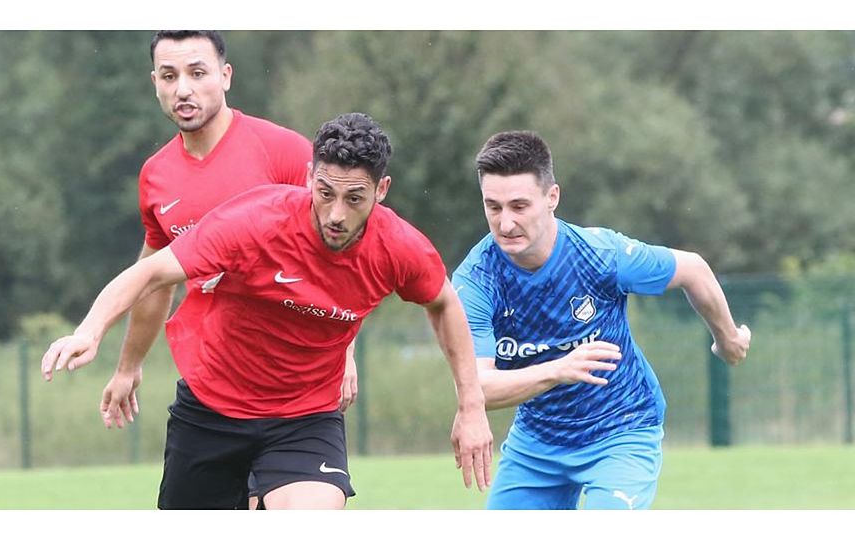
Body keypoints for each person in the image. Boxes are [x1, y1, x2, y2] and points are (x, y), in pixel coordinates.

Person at [41, 112, 494, 510]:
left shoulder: (398, 247)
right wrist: (90, 330)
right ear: (309, 177)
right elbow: (151, 273)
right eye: (325, 193)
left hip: (305, 417)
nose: (336, 214)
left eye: (354, 198)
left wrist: (471, 406)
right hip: (212, 405)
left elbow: (443, 304)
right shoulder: (254, 221)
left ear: (382, 190)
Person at [106, 30, 358, 508]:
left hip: (295, 390)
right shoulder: (156, 176)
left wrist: (344, 351)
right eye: (170, 75)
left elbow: (344, 250)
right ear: (154, 83)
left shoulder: (284, 153)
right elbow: (156, 281)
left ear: (225, 76)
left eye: (197, 73)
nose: (184, 88)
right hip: (211, 388)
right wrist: (129, 366)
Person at [452, 130, 751, 510]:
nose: (506, 223)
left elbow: (694, 269)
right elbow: (478, 387)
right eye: (493, 207)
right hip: (538, 442)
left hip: (621, 427)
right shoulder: (475, 280)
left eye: (519, 206)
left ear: (552, 198)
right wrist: (560, 369)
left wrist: (727, 339)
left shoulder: (601, 255)